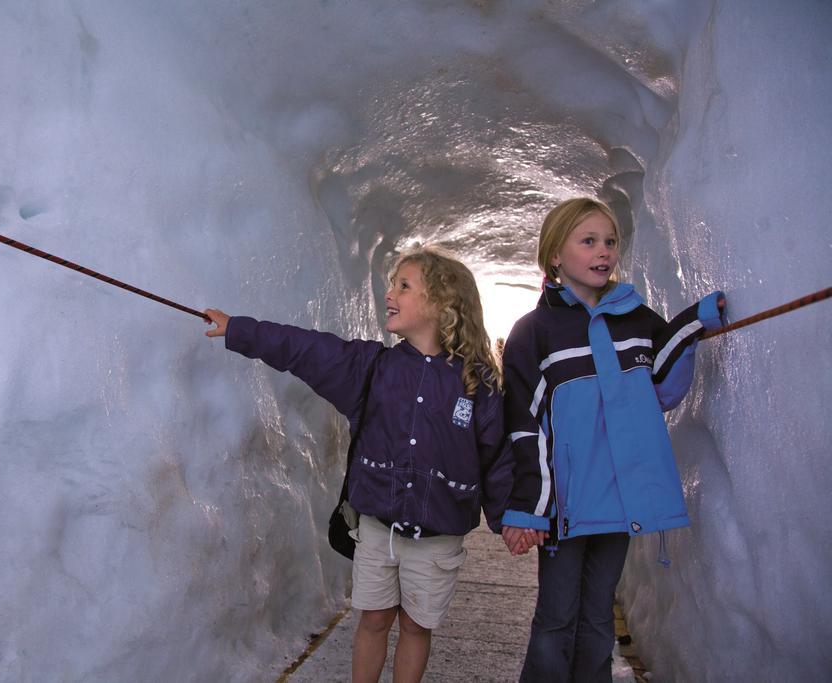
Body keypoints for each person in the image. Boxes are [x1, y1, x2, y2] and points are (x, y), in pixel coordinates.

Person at [204, 246, 509, 683]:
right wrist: (240, 330)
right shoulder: (371, 368)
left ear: (443, 303)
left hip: (438, 535)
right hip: (378, 529)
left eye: (404, 285)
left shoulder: (478, 382)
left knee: (416, 626)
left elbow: (496, 456)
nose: (389, 293)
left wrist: (511, 518)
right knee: (373, 619)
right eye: (391, 284)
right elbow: (304, 348)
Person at [499, 197, 724, 682]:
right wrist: (528, 508)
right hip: (567, 503)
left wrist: (694, 321)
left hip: (621, 499)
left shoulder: (637, 319)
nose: (604, 251)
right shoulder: (534, 332)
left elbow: (663, 385)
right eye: (589, 241)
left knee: (599, 614)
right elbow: (524, 425)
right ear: (555, 256)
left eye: (610, 241)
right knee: (557, 619)